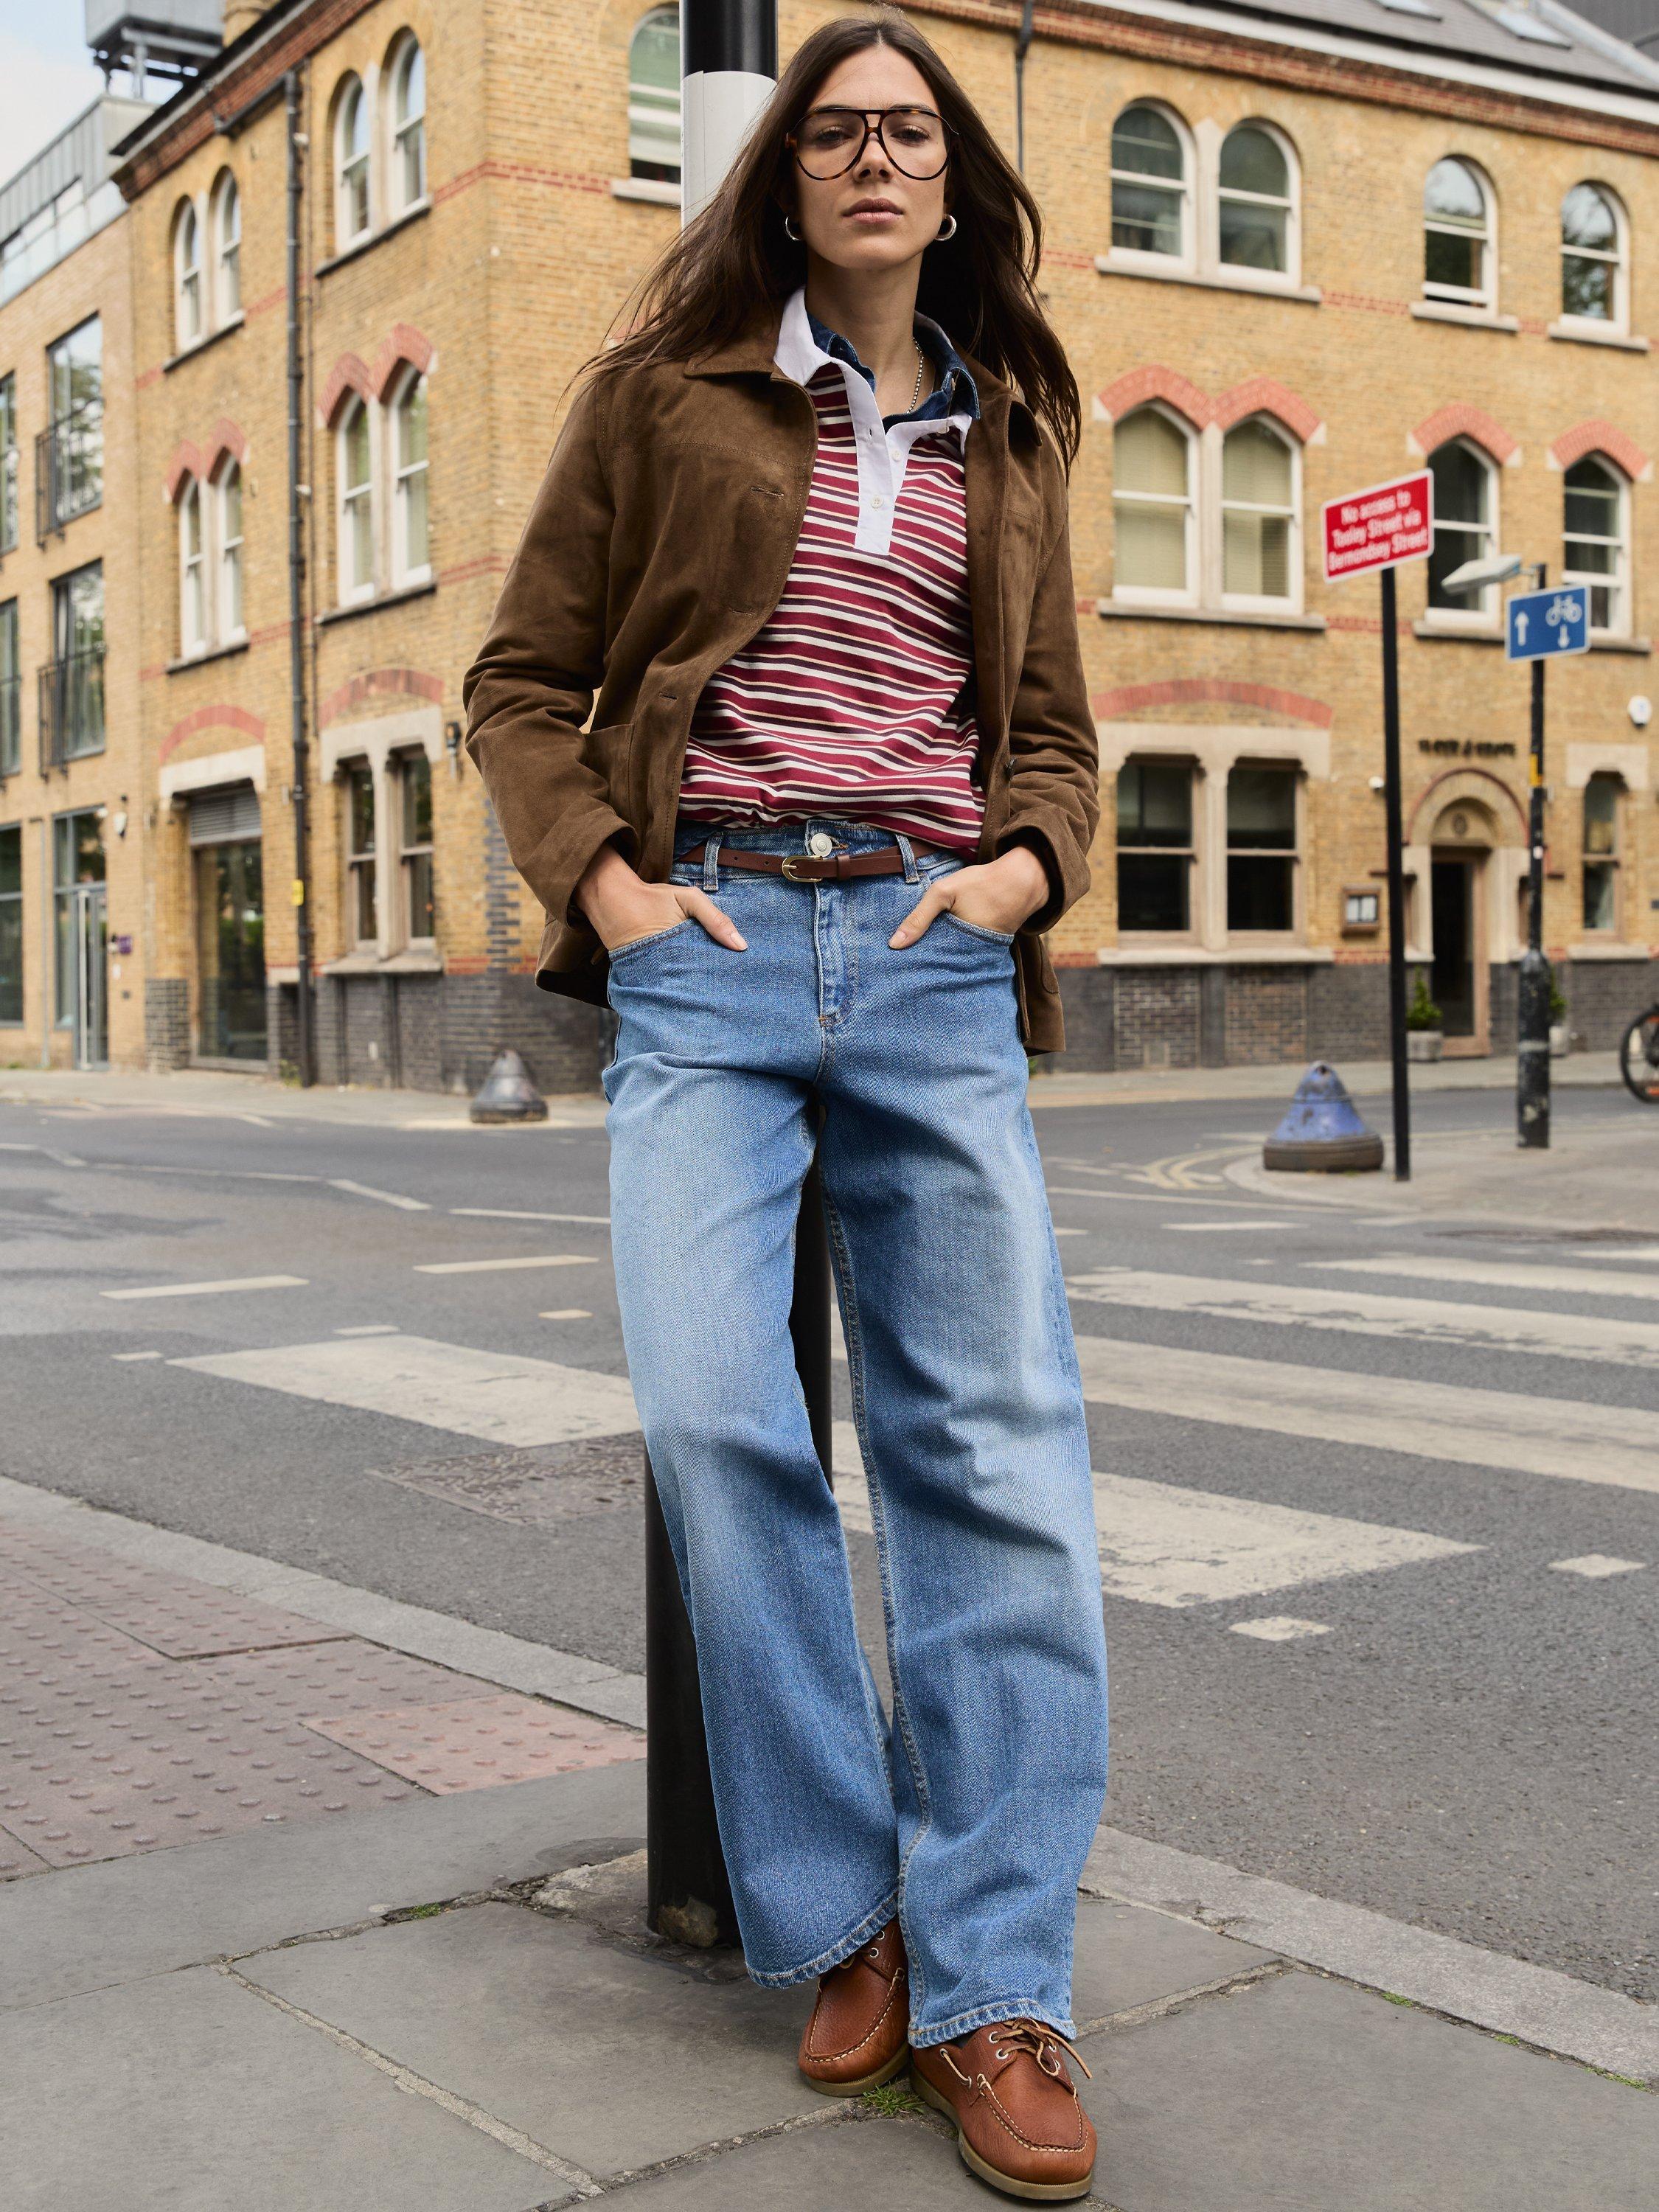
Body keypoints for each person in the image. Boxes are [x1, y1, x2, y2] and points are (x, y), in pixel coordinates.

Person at [464, 13, 1109, 2198]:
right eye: (829, 131)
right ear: (781, 178)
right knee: (723, 1420)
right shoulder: (663, 402)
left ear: (947, 181)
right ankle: (847, 1916)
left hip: (927, 961)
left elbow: (1051, 733)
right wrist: (618, 892)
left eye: (903, 134)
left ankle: (994, 1982)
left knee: (990, 1458)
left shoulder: (1007, 423)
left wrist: (1019, 869)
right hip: (714, 956)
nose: (865, 161)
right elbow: (520, 681)